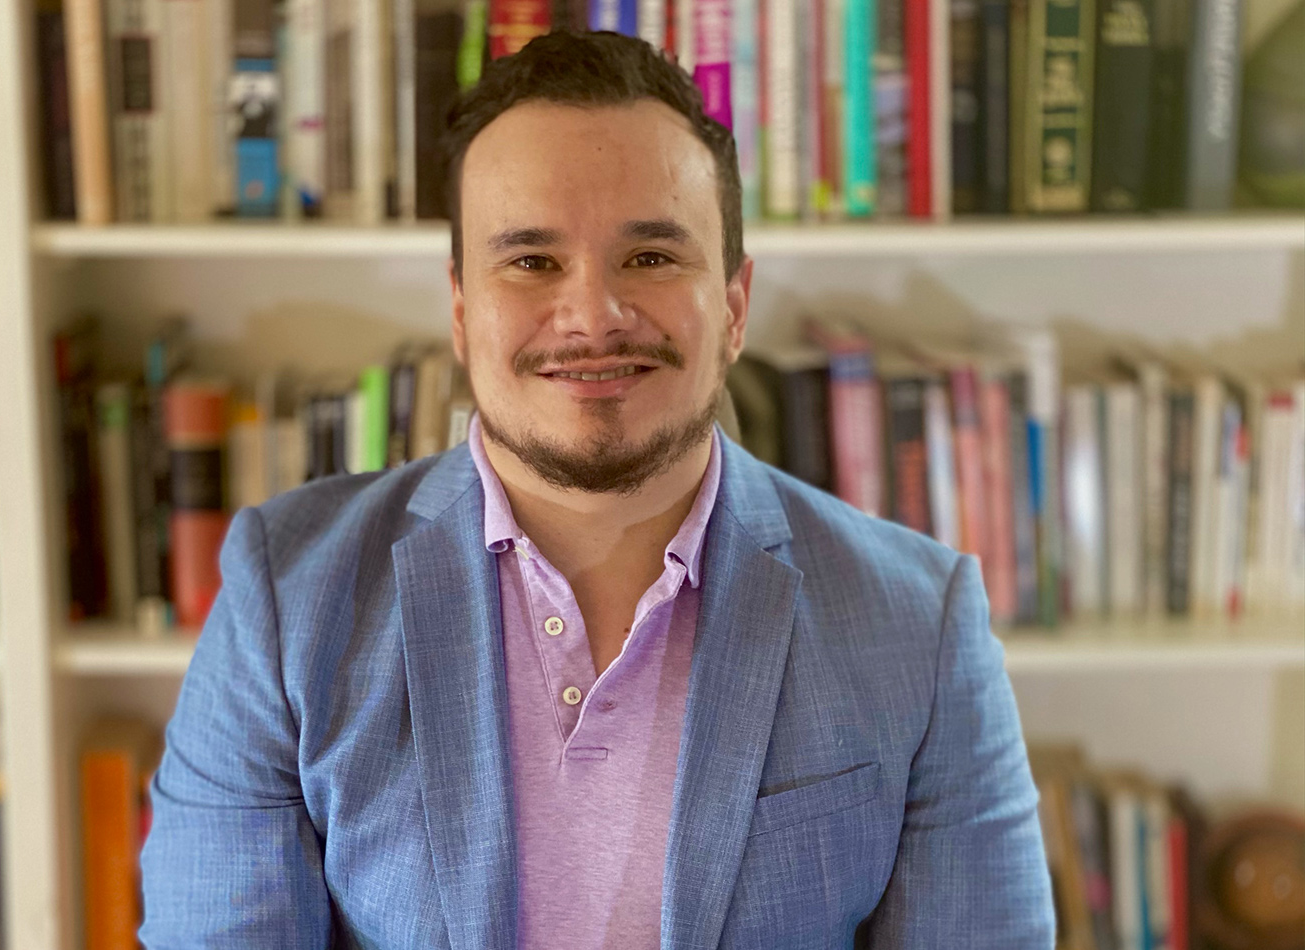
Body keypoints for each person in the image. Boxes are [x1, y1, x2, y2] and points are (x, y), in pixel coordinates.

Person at [139, 31, 1054, 949]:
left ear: (733, 306)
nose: (592, 316)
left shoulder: (918, 621)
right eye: (532, 262)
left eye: (651, 257)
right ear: (461, 311)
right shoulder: (285, 601)